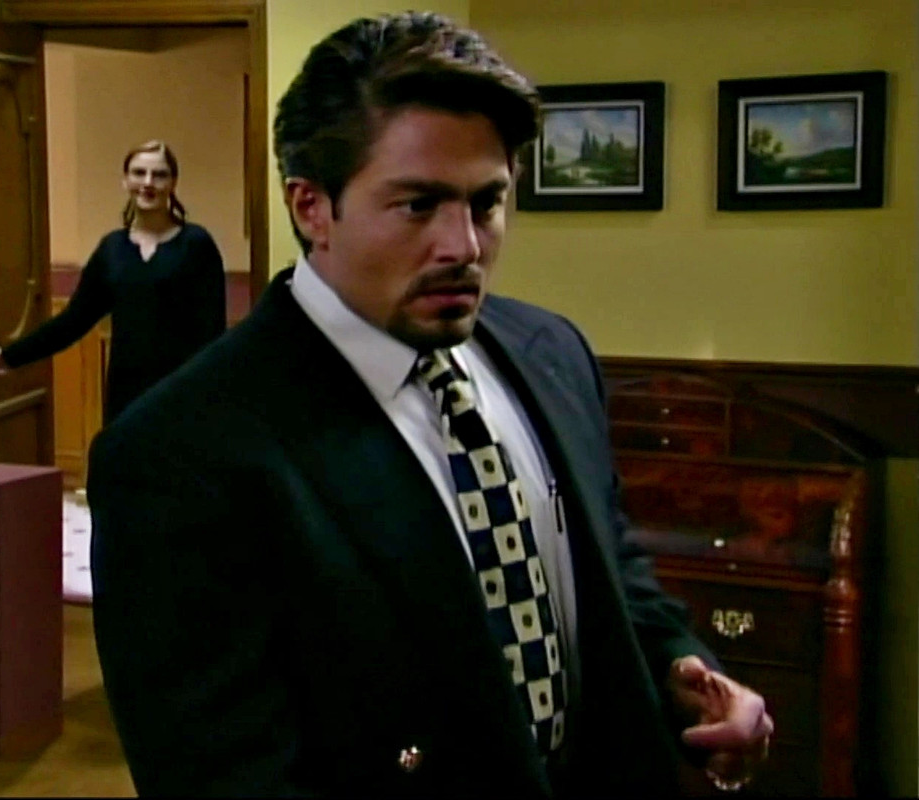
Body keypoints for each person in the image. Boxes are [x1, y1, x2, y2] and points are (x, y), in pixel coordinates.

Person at [87, 12, 774, 797]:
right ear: (310, 207)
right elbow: (224, 775)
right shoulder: (180, 452)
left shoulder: (551, 353)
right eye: (419, 205)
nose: (464, 247)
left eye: (485, 203)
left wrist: (680, 671)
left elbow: (606, 570)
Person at [0, 140, 226, 423]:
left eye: (159, 175)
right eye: (139, 173)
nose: (148, 182)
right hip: (126, 395)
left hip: (182, 395)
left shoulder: (196, 244)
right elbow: (73, 321)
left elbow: (213, 333)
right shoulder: (112, 249)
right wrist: (10, 356)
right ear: (125, 181)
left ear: (173, 183)